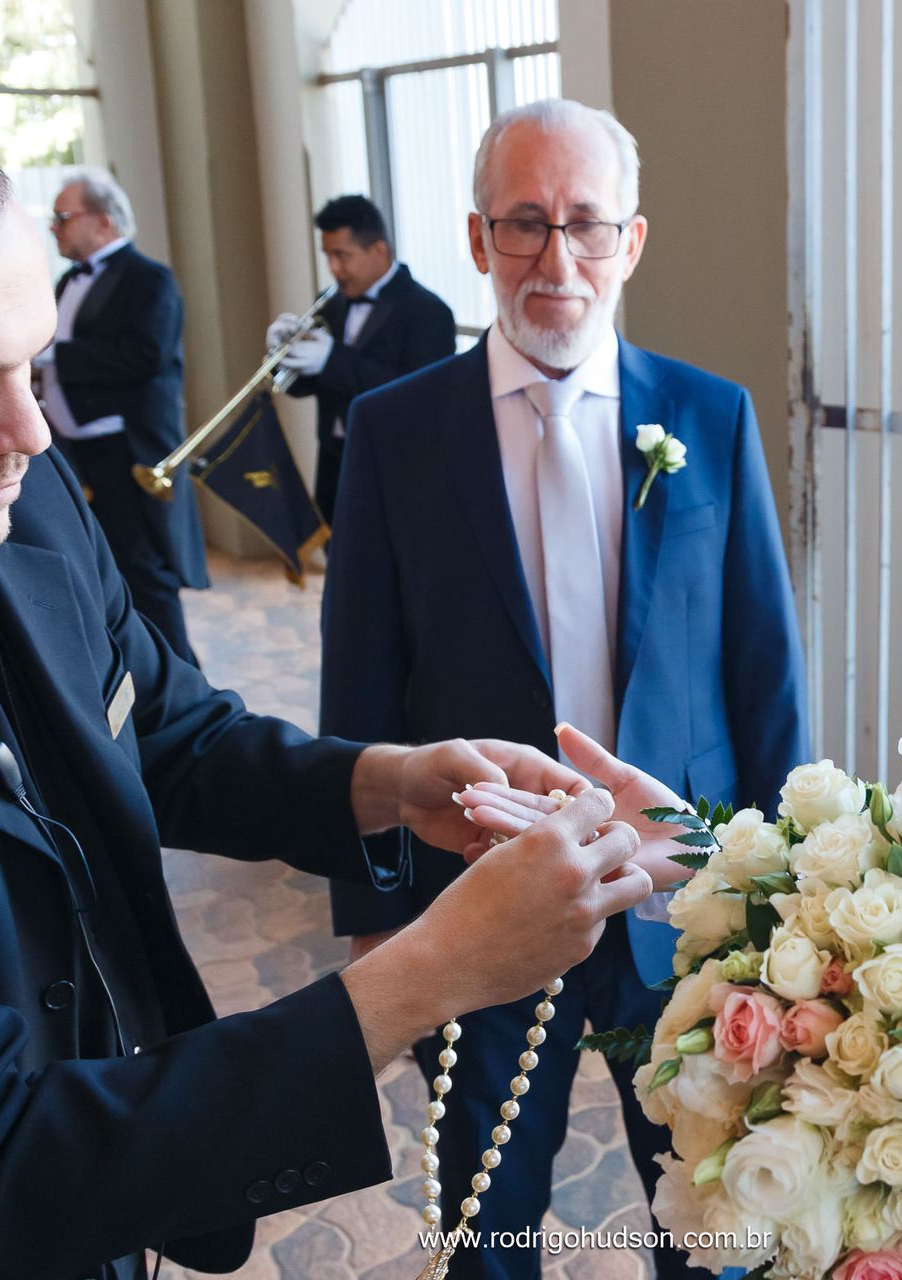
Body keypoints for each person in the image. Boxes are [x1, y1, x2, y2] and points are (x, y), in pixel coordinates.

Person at [0, 68, 653, 1279]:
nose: (29, 431)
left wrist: (387, 780)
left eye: (29, 361)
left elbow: (165, 727)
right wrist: (428, 972)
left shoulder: (20, 497)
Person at [319, 99, 809, 1279]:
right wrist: (377, 915)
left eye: (586, 225)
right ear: (479, 239)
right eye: (526, 223)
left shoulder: (710, 414)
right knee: (486, 1217)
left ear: (631, 242)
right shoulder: (393, 432)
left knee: (715, 1216)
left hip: (677, 896)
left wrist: (781, 890)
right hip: (477, 893)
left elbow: (762, 667)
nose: (557, 259)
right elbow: (360, 688)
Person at [34, 167, 207, 665]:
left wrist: (54, 357)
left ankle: (182, 681)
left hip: (125, 450)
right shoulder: (69, 278)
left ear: (103, 222)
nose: (54, 227)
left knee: (146, 575)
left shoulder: (148, 279)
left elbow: (146, 356)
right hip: (74, 449)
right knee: (99, 574)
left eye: (63, 217)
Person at [268, 193, 456, 524]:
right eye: (328, 256)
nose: (334, 269)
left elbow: (419, 396)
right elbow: (305, 386)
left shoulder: (428, 311)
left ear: (379, 250)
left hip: (395, 465)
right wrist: (283, 359)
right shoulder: (330, 303)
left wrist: (331, 359)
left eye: (343, 256)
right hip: (334, 461)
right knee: (336, 560)